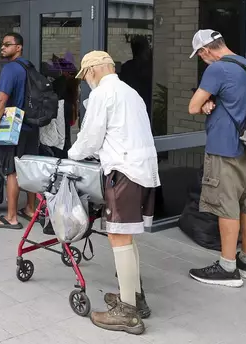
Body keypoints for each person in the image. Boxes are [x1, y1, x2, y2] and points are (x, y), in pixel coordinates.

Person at [68, 51, 159, 335]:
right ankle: (134, 297)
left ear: (94, 70)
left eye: (86, 76)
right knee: (127, 235)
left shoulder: (102, 94)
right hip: (144, 171)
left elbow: (91, 137)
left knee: (118, 235)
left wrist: (72, 155)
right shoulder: (131, 92)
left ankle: (127, 313)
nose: (87, 82)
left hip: (123, 172)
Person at [187, 30, 246, 288]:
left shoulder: (217, 69)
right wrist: (212, 100)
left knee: (226, 206)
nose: (202, 60)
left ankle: (228, 267)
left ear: (206, 51)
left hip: (224, 148)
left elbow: (193, 106)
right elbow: (236, 99)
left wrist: (205, 102)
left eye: (200, 56)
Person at [0, 33, 39, 230]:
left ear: (19, 47)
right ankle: (31, 208)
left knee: (12, 172)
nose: (2, 47)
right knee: (29, 168)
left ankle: (11, 217)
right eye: (2, 44)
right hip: (32, 126)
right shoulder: (29, 67)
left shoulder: (10, 69)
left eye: (8, 44)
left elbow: (1, 100)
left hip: (15, 129)